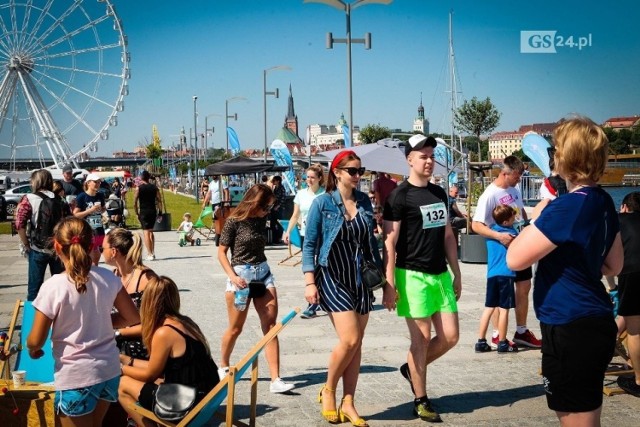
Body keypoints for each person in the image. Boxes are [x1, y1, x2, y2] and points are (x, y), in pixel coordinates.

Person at [507, 116, 623, 426]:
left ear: (566, 157)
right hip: (594, 319)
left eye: (556, 149)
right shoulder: (602, 200)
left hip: (570, 325)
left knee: (576, 420)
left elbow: (515, 259)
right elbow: (614, 265)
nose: (552, 154)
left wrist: (538, 217)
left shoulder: (565, 207)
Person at [27, 217, 140, 427]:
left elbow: (36, 340)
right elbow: (132, 318)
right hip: (108, 370)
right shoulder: (109, 278)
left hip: (77, 376)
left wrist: (32, 349)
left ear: (57, 246)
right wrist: (100, 320)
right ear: (91, 246)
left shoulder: (53, 287)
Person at [382, 134, 461, 423]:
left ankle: (411, 369)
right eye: (423, 156)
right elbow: (389, 243)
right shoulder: (398, 197)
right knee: (422, 339)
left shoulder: (440, 194)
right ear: (409, 160)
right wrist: (388, 284)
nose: (429, 161)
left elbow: (448, 235)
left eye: (431, 156)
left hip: (440, 274)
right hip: (411, 275)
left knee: (451, 336)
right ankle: (421, 399)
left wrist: (457, 272)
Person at [303, 150, 381, 426]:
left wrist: (385, 280)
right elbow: (310, 245)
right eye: (352, 171)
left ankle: (348, 402)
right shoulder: (322, 203)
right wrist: (310, 281)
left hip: (359, 278)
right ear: (336, 173)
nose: (358, 176)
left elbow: (370, 243)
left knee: (357, 343)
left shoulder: (363, 202)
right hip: (332, 276)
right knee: (349, 339)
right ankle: (329, 389)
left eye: (360, 171)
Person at [217, 183, 295, 394]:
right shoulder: (233, 221)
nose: (267, 211)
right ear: (254, 203)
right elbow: (222, 253)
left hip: (263, 273)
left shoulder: (263, 219)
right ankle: (223, 365)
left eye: (270, 207)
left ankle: (275, 379)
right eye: (265, 207)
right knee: (236, 328)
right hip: (240, 276)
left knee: (271, 326)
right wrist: (232, 277)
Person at [118, 276, 220, 426]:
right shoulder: (186, 322)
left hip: (188, 403)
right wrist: (128, 360)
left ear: (148, 303)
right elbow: (155, 367)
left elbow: (150, 375)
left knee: (122, 384)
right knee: (143, 379)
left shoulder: (164, 333)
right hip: (206, 397)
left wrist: (119, 369)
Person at [471, 156, 541, 349]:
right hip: (503, 250)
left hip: (520, 242)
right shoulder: (490, 194)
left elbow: (520, 211)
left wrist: (527, 224)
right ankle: (496, 334)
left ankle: (521, 331)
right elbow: (476, 224)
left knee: (524, 286)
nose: (519, 180)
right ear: (504, 173)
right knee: (501, 297)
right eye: (516, 177)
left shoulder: (515, 189)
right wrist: (498, 236)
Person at [103, 227, 157, 361]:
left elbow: (154, 324)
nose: (101, 252)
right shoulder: (112, 276)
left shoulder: (147, 279)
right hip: (116, 344)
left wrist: (118, 333)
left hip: (141, 348)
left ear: (114, 252)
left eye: (102, 248)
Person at [15, 169, 65, 301]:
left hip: (37, 248)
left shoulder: (29, 199)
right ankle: (61, 317)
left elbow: (19, 224)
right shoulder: (59, 199)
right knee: (61, 286)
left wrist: (26, 244)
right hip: (57, 248)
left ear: (36, 181)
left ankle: (32, 319)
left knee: (34, 289)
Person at [283, 164, 326, 319]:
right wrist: (287, 231)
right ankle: (314, 301)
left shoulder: (325, 194)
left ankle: (315, 302)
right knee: (310, 268)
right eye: (307, 177)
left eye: (312, 177)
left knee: (320, 267)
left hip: (323, 235)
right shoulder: (301, 194)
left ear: (320, 178)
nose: (309, 180)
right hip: (305, 235)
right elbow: (295, 215)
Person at [475, 205, 518, 354]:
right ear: (506, 222)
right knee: (504, 309)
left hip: (492, 274)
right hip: (506, 274)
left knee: (489, 308)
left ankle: (481, 341)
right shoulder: (511, 234)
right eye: (513, 217)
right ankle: (502, 342)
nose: (515, 219)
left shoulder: (491, 232)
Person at [609, 191, 640, 396]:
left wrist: (611, 286)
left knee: (635, 329)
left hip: (632, 273)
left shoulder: (619, 220)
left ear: (625, 207)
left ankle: (639, 379)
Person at [73, 173, 106, 266]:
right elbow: (75, 214)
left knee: (97, 252)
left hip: (98, 227)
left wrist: (102, 209)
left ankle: (96, 268)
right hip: (86, 229)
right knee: (89, 252)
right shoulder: (82, 196)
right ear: (88, 183)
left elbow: (103, 209)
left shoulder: (100, 195)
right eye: (95, 182)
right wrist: (90, 210)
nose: (98, 184)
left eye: (99, 182)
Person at [134, 170, 162, 261]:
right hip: (152, 211)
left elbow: (135, 202)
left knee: (146, 232)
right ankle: (152, 252)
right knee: (151, 231)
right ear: (149, 178)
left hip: (143, 211)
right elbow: (159, 200)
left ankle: (149, 253)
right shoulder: (155, 188)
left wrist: (136, 212)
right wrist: (160, 212)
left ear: (141, 178)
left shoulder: (139, 188)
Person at [270, 175, 287, 244]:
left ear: (278, 181)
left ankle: (279, 238)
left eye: (274, 181)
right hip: (274, 208)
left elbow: (283, 198)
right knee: (273, 223)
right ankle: (274, 238)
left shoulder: (282, 188)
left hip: (279, 208)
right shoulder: (275, 188)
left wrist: (278, 206)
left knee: (279, 224)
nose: (273, 182)